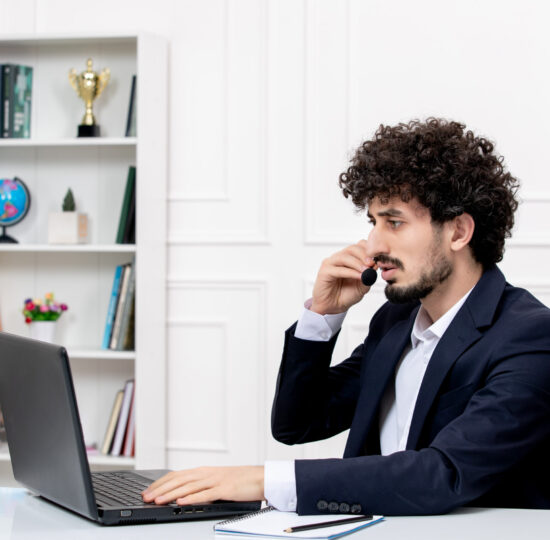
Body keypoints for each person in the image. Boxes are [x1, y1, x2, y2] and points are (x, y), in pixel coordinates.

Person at [142, 118, 550, 515]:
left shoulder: (530, 336)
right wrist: (322, 316)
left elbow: (442, 474)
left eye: (394, 222)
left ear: (459, 232)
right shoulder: (396, 321)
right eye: (373, 222)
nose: (372, 244)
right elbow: (297, 425)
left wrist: (263, 480)